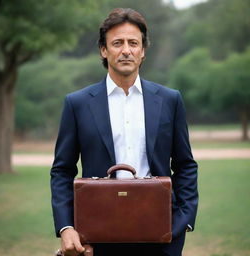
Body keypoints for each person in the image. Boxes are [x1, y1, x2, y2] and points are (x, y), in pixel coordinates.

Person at [50, 8, 198, 256]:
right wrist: (66, 227)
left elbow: (185, 165)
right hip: (98, 235)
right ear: (104, 50)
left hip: (161, 234)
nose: (126, 50)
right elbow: (62, 170)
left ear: (143, 52)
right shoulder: (77, 103)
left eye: (133, 43)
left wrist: (182, 222)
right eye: (117, 43)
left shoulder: (170, 100)